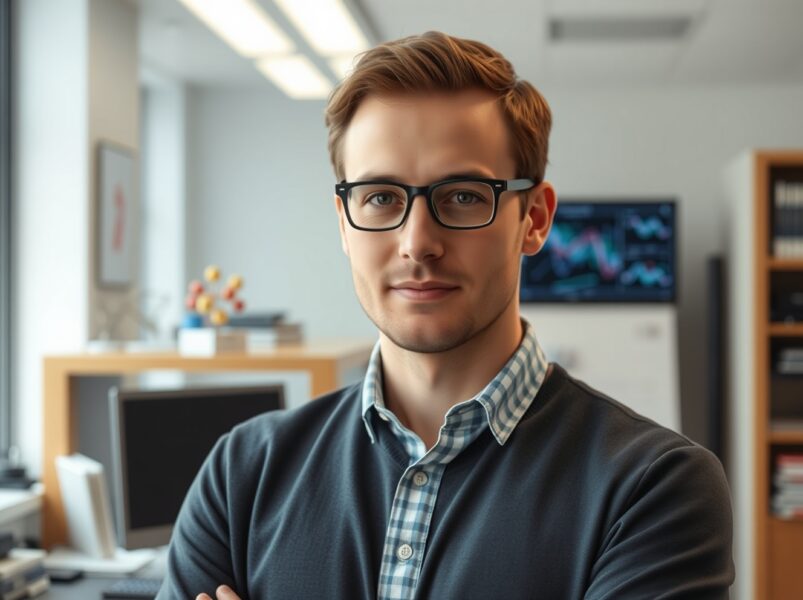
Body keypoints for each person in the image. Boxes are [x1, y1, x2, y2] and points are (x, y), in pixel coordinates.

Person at [157, 31, 734, 600]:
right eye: (381, 197)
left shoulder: (653, 488)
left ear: (533, 218)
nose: (417, 242)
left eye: (461, 196)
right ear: (343, 221)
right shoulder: (243, 475)